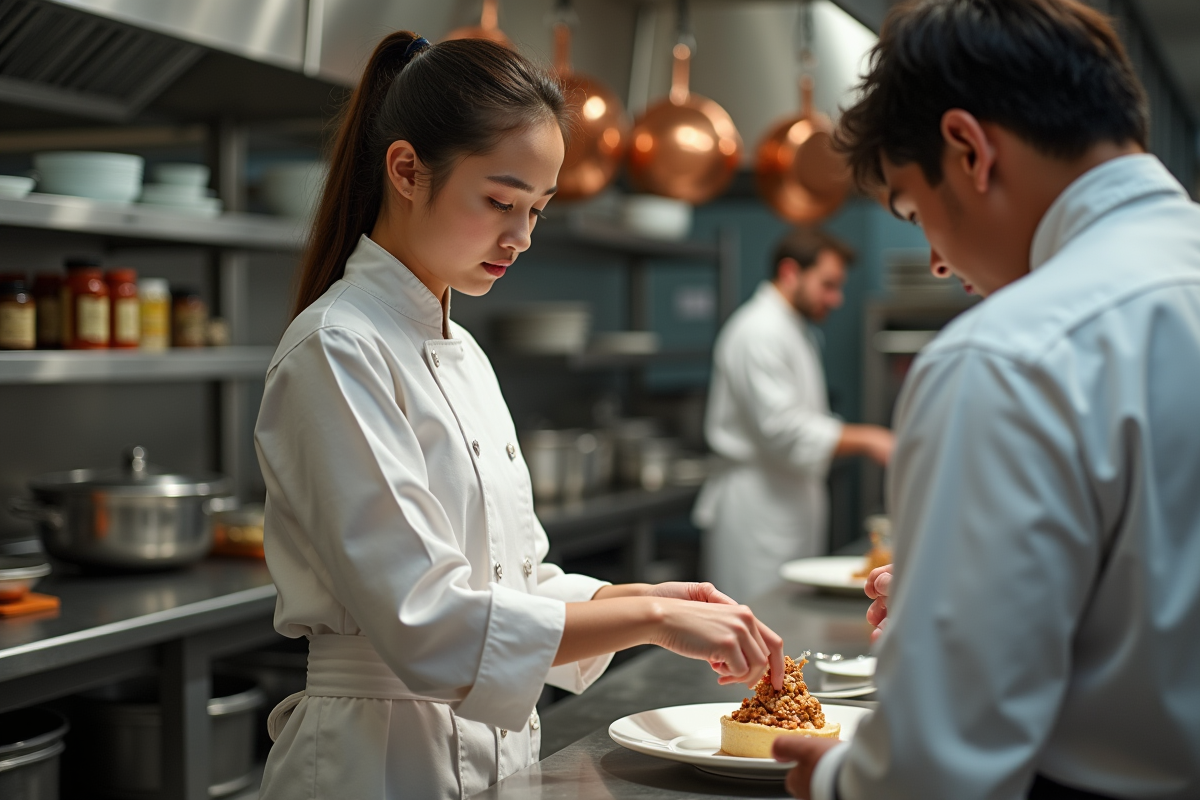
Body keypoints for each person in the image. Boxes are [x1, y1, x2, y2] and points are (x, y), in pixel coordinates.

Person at [253, 32, 786, 800]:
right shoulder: (337, 348)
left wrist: (643, 599)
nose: (522, 236)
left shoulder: (463, 351)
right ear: (406, 170)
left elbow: (518, 580)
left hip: (491, 752)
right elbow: (426, 620)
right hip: (374, 761)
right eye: (501, 202)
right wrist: (648, 621)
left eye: (537, 208)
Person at [771, 1, 1200, 798]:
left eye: (913, 210)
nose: (936, 261)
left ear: (968, 148)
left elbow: (938, 771)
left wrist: (834, 781)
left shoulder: (1008, 356)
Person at [694, 227, 894, 602]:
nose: (836, 299)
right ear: (790, 272)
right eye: (828, 285)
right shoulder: (759, 331)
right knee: (753, 618)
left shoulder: (792, 329)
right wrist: (870, 439)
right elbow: (782, 430)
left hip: (786, 502)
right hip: (757, 511)